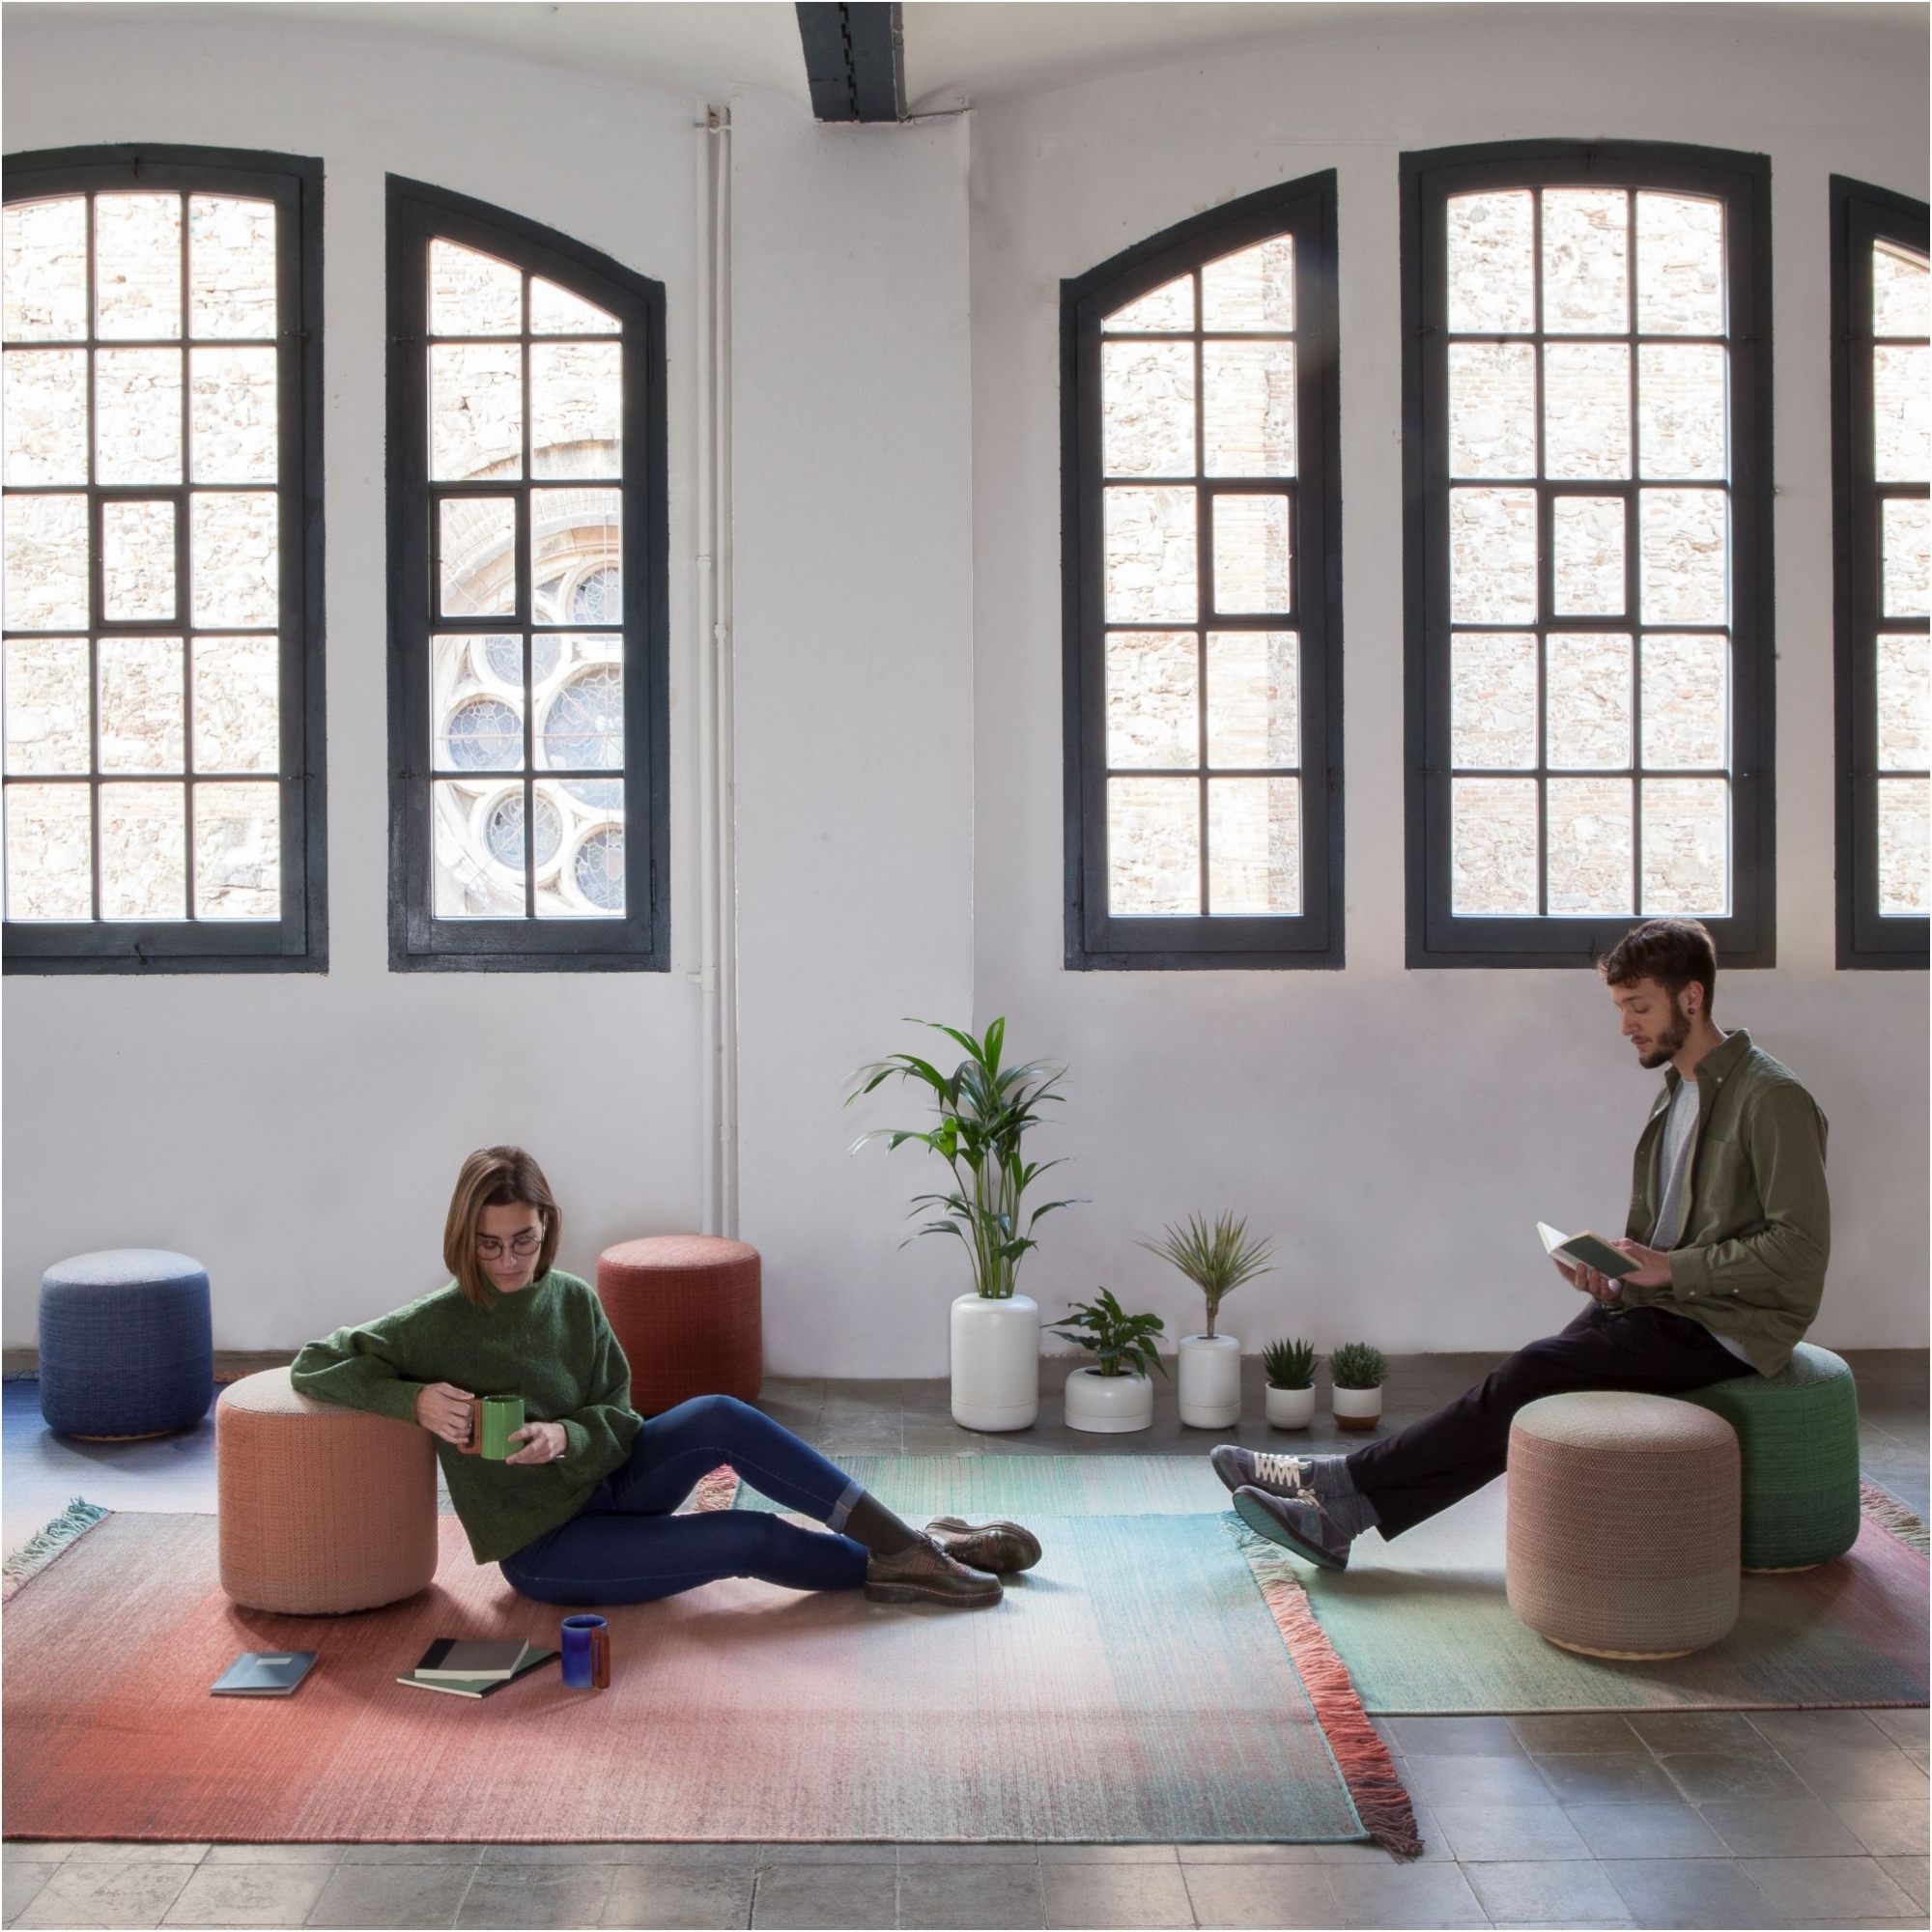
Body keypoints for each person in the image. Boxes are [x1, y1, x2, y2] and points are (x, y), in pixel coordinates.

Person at [1216, 917, 1831, 1571]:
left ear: (1692, 997)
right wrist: (1618, 1278)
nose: (1626, 1025)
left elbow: (1800, 1248)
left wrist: (1672, 1270)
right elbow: (1675, 1233)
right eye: (1620, 1008)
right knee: (1520, 1385)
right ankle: (1340, 1503)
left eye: (1639, 1006)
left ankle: (1336, 1489)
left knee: (1531, 1373)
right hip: (1670, 1303)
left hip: (1730, 1323)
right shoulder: (1677, 1093)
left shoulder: (1772, 1098)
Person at [290, 1146, 1039, 1607]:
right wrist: (415, 1400)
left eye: (525, 1239)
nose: (510, 1261)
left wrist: (564, 1436)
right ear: (465, 1237)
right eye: (489, 1245)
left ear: (547, 1225)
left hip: (612, 1483)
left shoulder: (571, 1300)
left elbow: (621, 1415)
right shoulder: (435, 1322)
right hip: (548, 1549)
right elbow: (313, 1363)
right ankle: (915, 1556)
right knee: (746, 1536)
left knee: (718, 1414)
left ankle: (908, 1546)